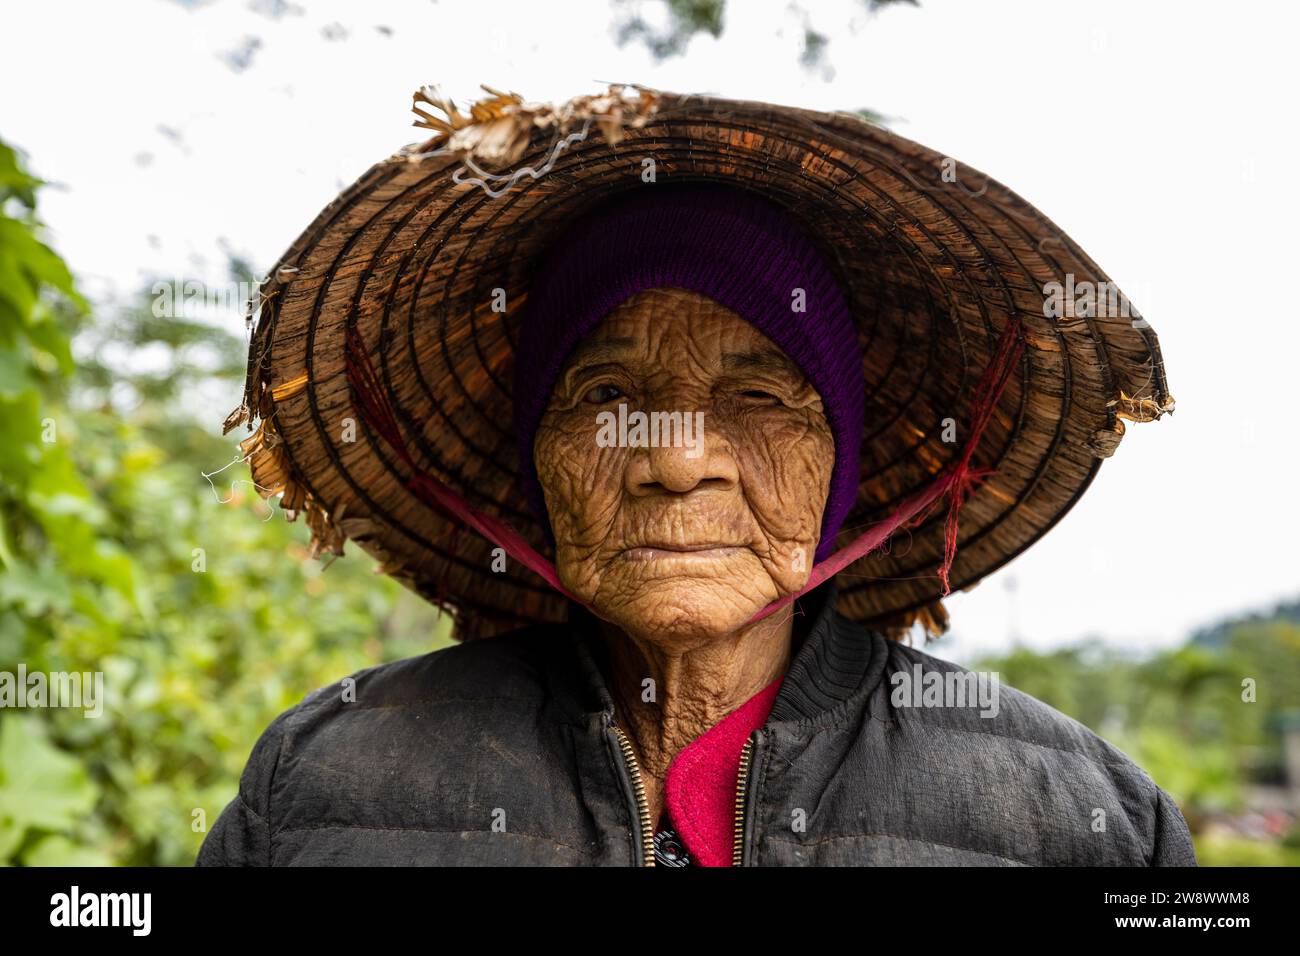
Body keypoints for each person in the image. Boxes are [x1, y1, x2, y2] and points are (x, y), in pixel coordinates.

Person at [199, 86, 1192, 866]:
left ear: (837, 468)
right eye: (605, 394)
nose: (676, 460)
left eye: (759, 398)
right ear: (537, 455)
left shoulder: (1080, 817)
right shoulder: (324, 778)